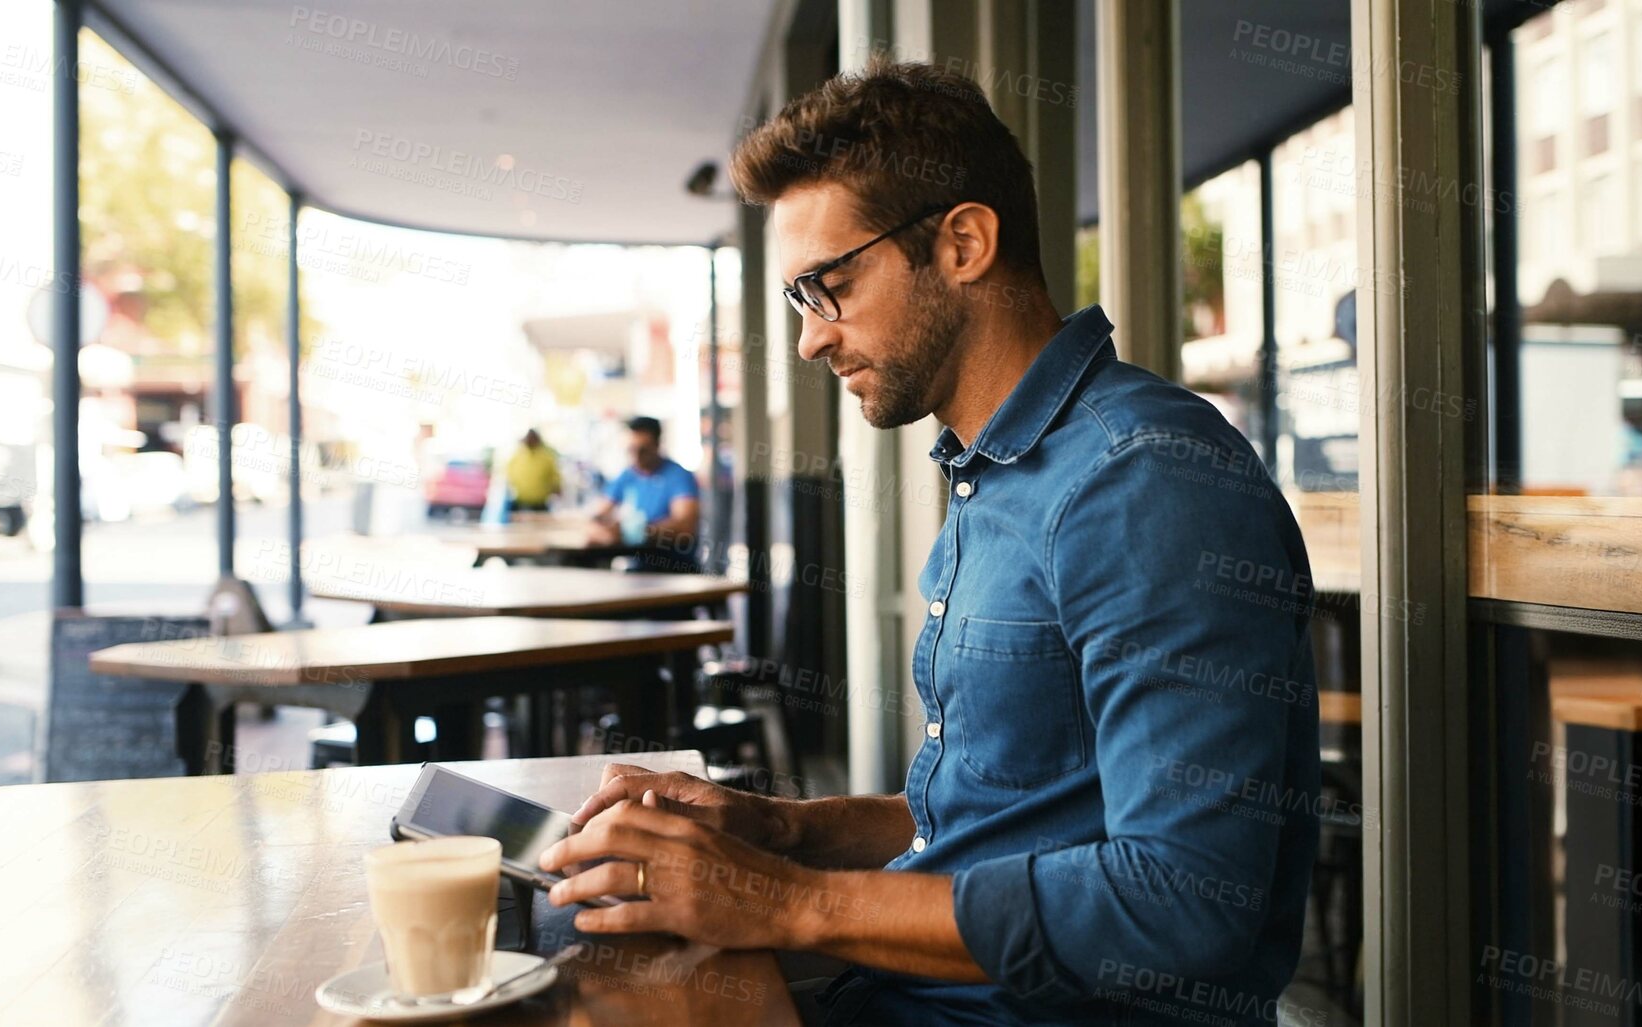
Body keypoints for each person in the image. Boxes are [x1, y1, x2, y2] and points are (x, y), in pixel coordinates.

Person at [540, 59, 1319, 1027]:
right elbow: (1000, 819)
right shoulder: (1000, 469)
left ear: (962, 243)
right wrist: (777, 829)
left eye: (829, 285)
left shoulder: (1141, 481)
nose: (809, 340)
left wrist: (781, 900)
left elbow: (1186, 903)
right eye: (798, 301)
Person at [589, 415, 701, 572]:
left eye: (643, 450)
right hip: (638, 564)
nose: (636, 457)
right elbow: (598, 514)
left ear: (657, 445)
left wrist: (637, 531)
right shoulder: (628, 475)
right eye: (631, 450)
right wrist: (604, 529)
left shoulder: (678, 476)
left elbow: (685, 526)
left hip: (673, 565)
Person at [503, 429, 562, 512]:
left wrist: (557, 489)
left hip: (540, 503)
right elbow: (508, 475)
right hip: (520, 502)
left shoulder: (546, 457)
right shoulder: (516, 457)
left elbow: (555, 478)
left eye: (533, 438)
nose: (530, 440)